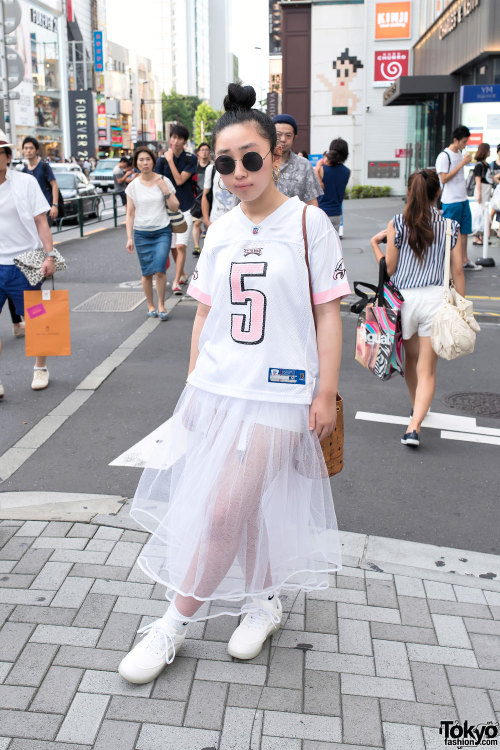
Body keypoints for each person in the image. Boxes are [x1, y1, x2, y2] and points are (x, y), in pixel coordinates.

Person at [118, 83, 349, 685]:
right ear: (213, 167)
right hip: (219, 388)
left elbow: (329, 313)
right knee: (242, 507)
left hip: (281, 391)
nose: (240, 172)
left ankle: (173, 622)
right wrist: (193, 389)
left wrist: (324, 393)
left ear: (276, 156)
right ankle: (262, 599)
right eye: (226, 162)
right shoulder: (218, 229)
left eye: (252, 157)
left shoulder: (308, 223)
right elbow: (202, 314)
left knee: (222, 510)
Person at [370, 170, 465, 448]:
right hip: (435, 300)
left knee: (410, 364)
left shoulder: (398, 223)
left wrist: (375, 244)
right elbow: (457, 271)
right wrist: (459, 306)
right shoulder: (450, 226)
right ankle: (414, 426)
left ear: (410, 192)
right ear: (438, 193)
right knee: (428, 370)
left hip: (404, 301)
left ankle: (416, 410)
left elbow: (389, 269)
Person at [0, 131, 58, 395]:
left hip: (26, 262)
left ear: (7, 157)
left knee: (36, 320)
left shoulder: (25, 183)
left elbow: (40, 221)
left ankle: (40, 368)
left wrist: (50, 255)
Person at [125, 147, 180, 321]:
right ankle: (150, 304)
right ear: (136, 163)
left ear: (153, 162)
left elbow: (175, 206)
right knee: (147, 272)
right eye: (141, 160)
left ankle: (162, 304)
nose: (144, 163)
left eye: (147, 159)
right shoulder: (132, 186)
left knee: (160, 270)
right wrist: (129, 238)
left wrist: (164, 188)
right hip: (141, 233)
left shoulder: (164, 180)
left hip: (162, 231)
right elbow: (130, 213)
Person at [154, 125, 198, 294]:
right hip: (167, 210)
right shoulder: (161, 160)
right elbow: (158, 181)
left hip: (186, 207)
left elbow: (179, 180)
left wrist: (171, 160)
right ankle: (183, 273)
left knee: (180, 246)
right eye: (173, 137)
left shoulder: (189, 158)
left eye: (179, 138)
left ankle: (176, 281)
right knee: (172, 247)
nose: (175, 141)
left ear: (184, 141)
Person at [435, 125, 480, 271]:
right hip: (450, 200)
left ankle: (463, 260)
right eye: (463, 142)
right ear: (455, 140)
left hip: (463, 198)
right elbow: (444, 178)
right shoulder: (444, 156)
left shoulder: (460, 153)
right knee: (450, 233)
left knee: (465, 231)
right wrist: (461, 164)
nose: (465, 145)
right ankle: (448, 262)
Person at [271, 114, 323, 206]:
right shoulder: (260, 162)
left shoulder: (304, 165)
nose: (283, 139)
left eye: (288, 135)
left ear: (294, 137)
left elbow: (311, 202)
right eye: (278, 134)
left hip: (296, 220)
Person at [22, 136, 60, 226]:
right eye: (26, 148)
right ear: (23, 150)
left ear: (36, 150)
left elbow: (54, 185)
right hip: (31, 211)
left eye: (31, 148)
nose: (28, 151)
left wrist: (54, 205)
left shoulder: (44, 167)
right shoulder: (24, 171)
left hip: (45, 209)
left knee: (43, 236)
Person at [317, 138, 350, 233]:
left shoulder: (321, 170)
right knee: (333, 244)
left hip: (321, 213)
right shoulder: (347, 172)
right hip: (337, 214)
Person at [472, 142, 500, 245]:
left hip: (486, 192)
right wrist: (479, 194)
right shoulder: (479, 165)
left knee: (484, 214)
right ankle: (476, 236)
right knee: (480, 214)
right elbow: (478, 180)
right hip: (482, 192)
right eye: (488, 150)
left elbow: (491, 178)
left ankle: (480, 236)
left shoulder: (485, 164)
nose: (490, 152)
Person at [201, 160, 239, 230]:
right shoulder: (211, 169)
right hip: (215, 220)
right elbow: (205, 195)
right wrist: (206, 221)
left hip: (236, 222)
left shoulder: (239, 168)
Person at [191, 143, 212, 256]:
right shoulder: (193, 168)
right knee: (197, 223)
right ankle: (196, 246)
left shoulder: (213, 167)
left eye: (206, 150)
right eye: (202, 150)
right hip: (196, 200)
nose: (204, 152)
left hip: (209, 200)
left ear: (209, 153)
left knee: (209, 225)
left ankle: (207, 247)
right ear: (198, 153)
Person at [490, 143, 500, 238]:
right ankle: (487, 233)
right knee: (492, 212)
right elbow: (490, 178)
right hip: (495, 192)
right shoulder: (492, 164)